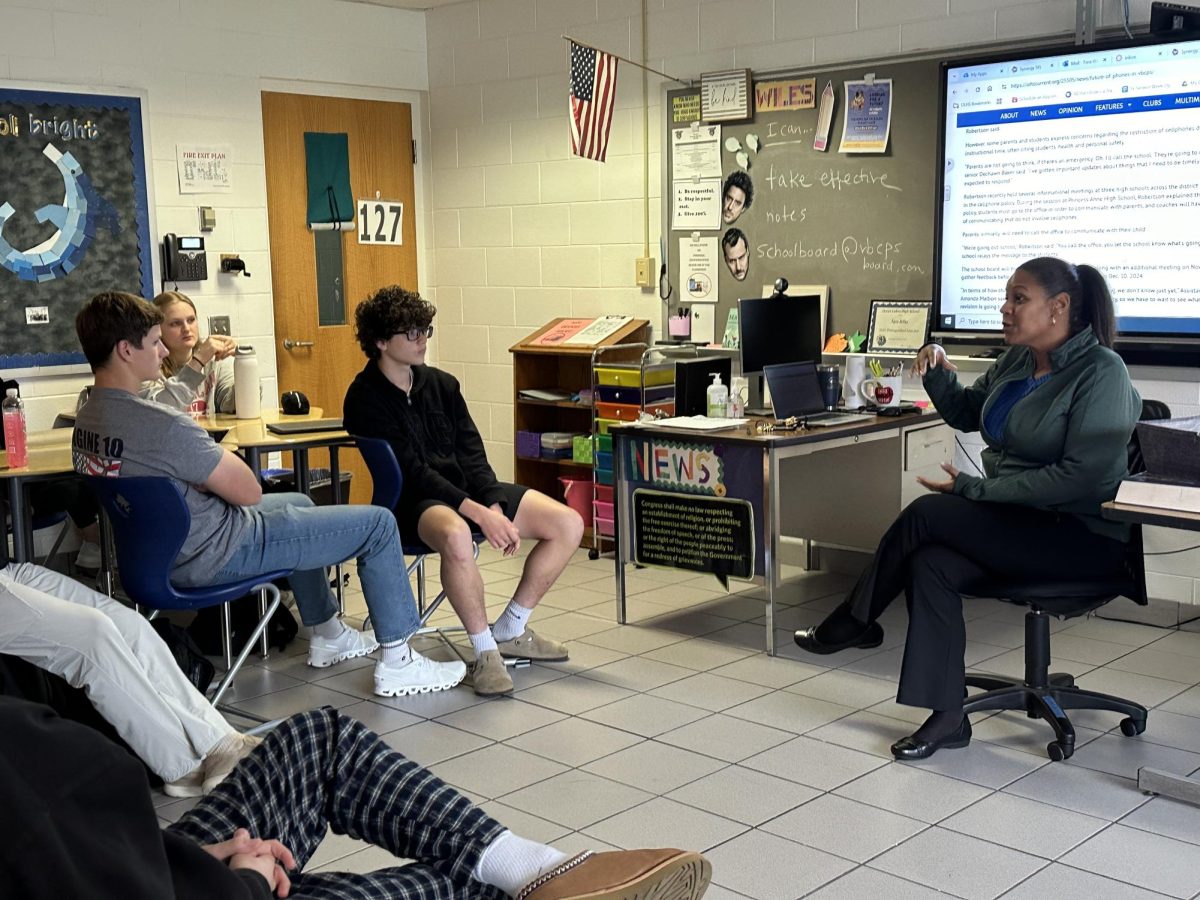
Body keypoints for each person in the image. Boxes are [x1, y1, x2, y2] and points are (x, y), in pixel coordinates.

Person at [793, 258, 1141, 760]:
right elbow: (964, 412)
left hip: (1082, 538)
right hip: (1019, 525)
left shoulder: (1102, 372)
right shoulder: (1019, 361)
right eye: (1007, 296)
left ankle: (854, 620)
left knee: (927, 514)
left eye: (1019, 298)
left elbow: (1080, 477)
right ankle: (947, 716)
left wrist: (976, 492)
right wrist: (934, 369)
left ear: (1058, 307)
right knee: (929, 562)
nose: (1004, 308)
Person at [72, 291, 467, 698]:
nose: (161, 351)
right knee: (379, 524)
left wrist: (198, 477)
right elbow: (247, 491)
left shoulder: (88, 419)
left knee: (300, 501)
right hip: (219, 550)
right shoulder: (165, 427)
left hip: (155, 559)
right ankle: (399, 660)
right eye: (155, 341)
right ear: (124, 350)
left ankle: (327, 631)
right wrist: (207, 472)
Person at [0, 697, 713, 899]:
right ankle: (533, 873)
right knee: (464, 882)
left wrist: (185, 858)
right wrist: (238, 884)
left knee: (318, 738)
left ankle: (532, 870)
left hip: (147, 866)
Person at [343, 287, 585, 698]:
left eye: (426, 329)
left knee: (568, 522)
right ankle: (485, 650)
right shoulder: (364, 397)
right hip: (410, 504)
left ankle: (510, 628)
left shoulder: (442, 385)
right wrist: (478, 514)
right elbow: (414, 473)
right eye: (411, 332)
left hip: (465, 492)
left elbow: (472, 452)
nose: (422, 339)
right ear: (381, 341)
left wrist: (492, 502)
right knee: (456, 533)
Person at [0, 559, 258, 797]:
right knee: (92, 635)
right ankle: (181, 767)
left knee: (130, 626)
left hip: (7, 570)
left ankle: (221, 743)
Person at [144, 290, 239, 414]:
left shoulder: (214, 361)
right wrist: (198, 361)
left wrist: (244, 363)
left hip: (206, 433)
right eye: (175, 323)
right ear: (157, 329)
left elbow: (234, 407)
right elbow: (161, 413)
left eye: (191, 320)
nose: (186, 329)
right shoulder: (146, 368)